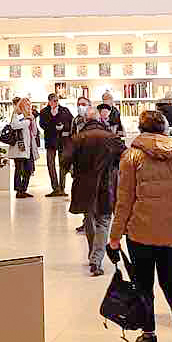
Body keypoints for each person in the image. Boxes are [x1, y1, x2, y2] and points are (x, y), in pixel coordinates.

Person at [109, 110, 172, 342]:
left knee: (143, 284)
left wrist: (115, 235)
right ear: (163, 128)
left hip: (141, 232)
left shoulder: (131, 156)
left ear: (141, 129)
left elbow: (124, 200)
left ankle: (149, 335)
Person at [66, 105, 125, 275]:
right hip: (106, 183)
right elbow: (125, 155)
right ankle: (96, 258)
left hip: (84, 184)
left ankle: (93, 255)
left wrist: (75, 171)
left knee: (89, 218)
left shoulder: (77, 138)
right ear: (99, 119)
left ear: (84, 120)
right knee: (104, 220)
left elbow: (64, 161)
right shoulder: (110, 137)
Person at [37, 92, 75, 198]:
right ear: (49, 101)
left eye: (57, 100)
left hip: (63, 141)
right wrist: (54, 127)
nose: (56, 102)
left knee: (63, 164)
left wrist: (64, 127)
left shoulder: (65, 110)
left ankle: (62, 188)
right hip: (50, 141)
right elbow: (42, 125)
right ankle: (55, 188)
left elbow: (71, 122)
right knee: (50, 164)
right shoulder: (44, 112)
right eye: (54, 101)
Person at [6, 97, 40, 198]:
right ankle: (18, 191)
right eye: (26, 105)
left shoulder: (30, 116)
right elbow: (14, 125)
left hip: (29, 146)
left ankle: (24, 189)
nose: (28, 107)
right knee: (19, 169)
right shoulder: (17, 114)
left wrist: (32, 121)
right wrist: (27, 121)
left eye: (29, 105)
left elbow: (34, 132)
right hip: (19, 147)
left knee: (29, 169)